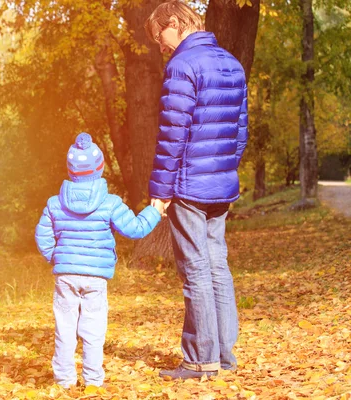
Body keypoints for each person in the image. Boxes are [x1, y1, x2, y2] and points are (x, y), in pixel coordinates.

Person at [144, 0, 248, 380]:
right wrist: (221, 169)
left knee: (195, 270)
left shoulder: (182, 66)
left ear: (174, 22)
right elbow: (240, 134)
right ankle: (223, 356)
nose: (161, 45)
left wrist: (161, 190)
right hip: (220, 184)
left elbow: (173, 135)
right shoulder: (232, 64)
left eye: (160, 36)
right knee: (217, 265)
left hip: (188, 185)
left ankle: (199, 360)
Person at [35, 132, 162, 389]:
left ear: (70, 170)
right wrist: (155, 210)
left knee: (65, 329)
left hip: (66, 276)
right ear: (101, 168)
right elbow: (135, 229)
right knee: (93, 331)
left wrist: (59, 259)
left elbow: (42, 236)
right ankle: (92, 381)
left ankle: (64, 382)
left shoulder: (55, 203)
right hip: (95, 278)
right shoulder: (110, 203)